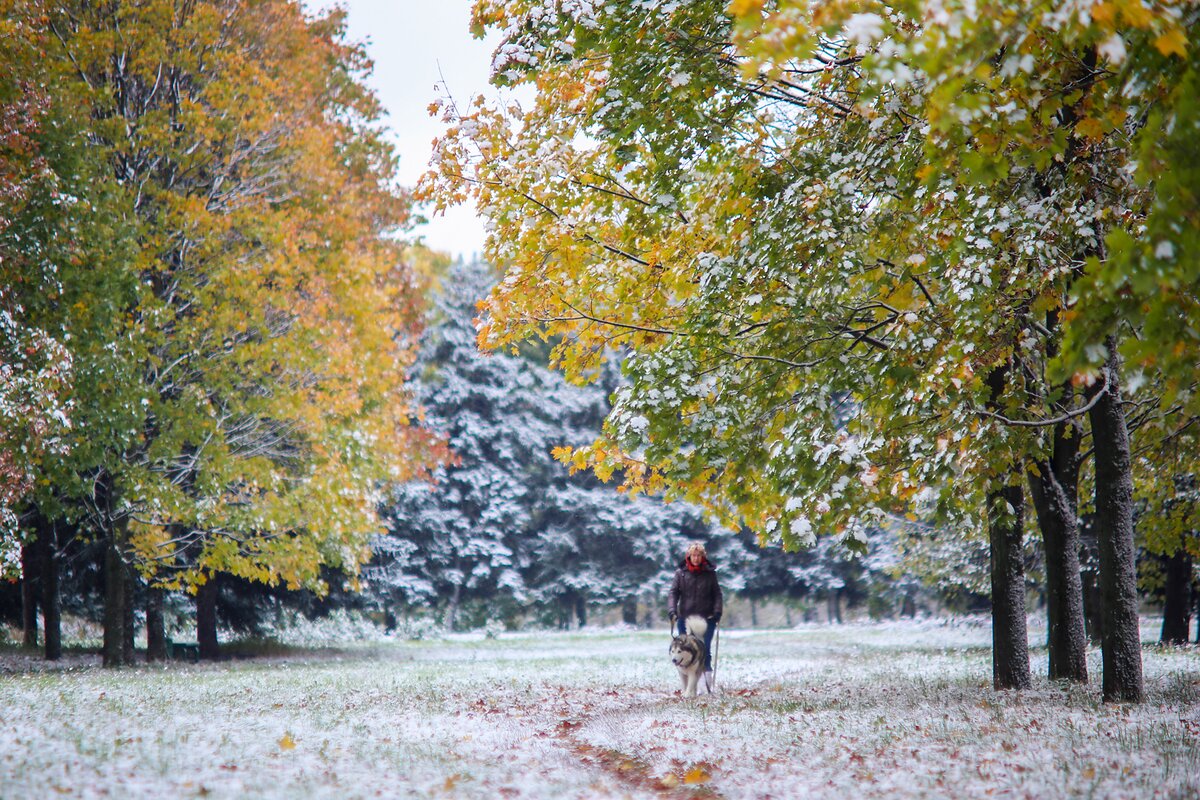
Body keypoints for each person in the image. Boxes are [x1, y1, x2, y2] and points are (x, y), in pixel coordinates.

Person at [666, 541, 723, 679]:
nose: (696, 558)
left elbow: (717, 594)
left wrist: (717, 612)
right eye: (693, 555)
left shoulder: (710, 574)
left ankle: (706, 682)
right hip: (685, 617)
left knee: (705, 649)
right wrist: (672, 610)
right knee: (685, 650)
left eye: (698, 555)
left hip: (706, 617)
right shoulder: (681, 574)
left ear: (703, 556)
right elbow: (673, 593)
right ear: (689, 556)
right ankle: (688, 682)